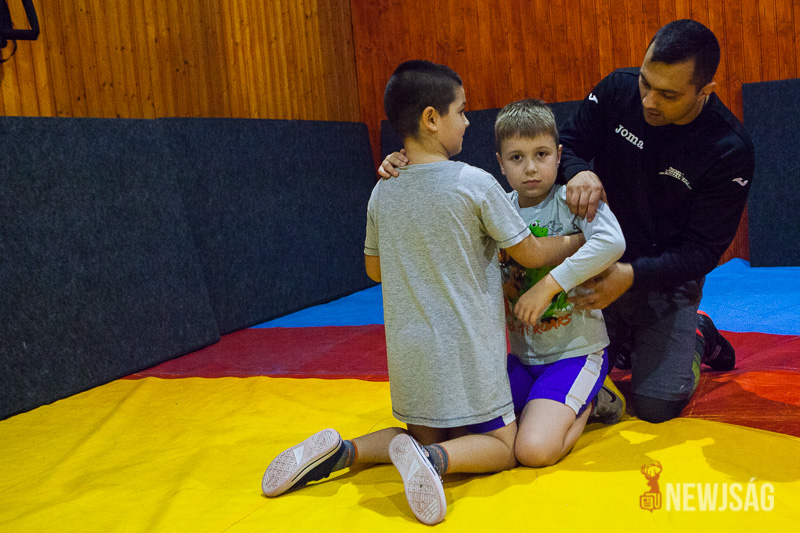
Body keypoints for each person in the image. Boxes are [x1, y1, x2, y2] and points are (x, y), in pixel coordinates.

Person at [260, 60, 584, 525]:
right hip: (467, 351)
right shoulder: (475, 183)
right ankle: (433, 462)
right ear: (432, 119)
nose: (468, 122)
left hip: (410, 355)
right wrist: (579, 241)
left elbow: (374, 270)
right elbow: (531, 254)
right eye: (462, 111)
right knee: (504, 447)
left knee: (418, 436)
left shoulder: (383, 190)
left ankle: (347, 451)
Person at [556, 19, 754, 423]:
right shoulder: (617, 88)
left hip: (666, 280)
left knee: (656, 406)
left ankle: (698, 334)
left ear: (704, 91)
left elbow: (702, 252)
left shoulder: (728, 149)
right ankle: (629, 339)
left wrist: (629, 276)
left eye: (668, 94)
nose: (649, 100)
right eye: (646, 83)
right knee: (561, 382)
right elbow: (566, 145)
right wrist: (577, 171)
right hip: (598, 264)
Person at [493, 99, 626, 467]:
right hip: (523, 357)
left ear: (559, 155)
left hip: (576, 353)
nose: (531, 168)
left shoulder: (572, 200)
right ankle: (566, 402)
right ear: (500, 163)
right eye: (517, 158)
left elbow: (612, 242)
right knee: (482, 433)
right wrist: (402, 164)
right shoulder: (498, 209)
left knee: (532, 450)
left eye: (541, 154)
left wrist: (549, 284)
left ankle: (593, 399)